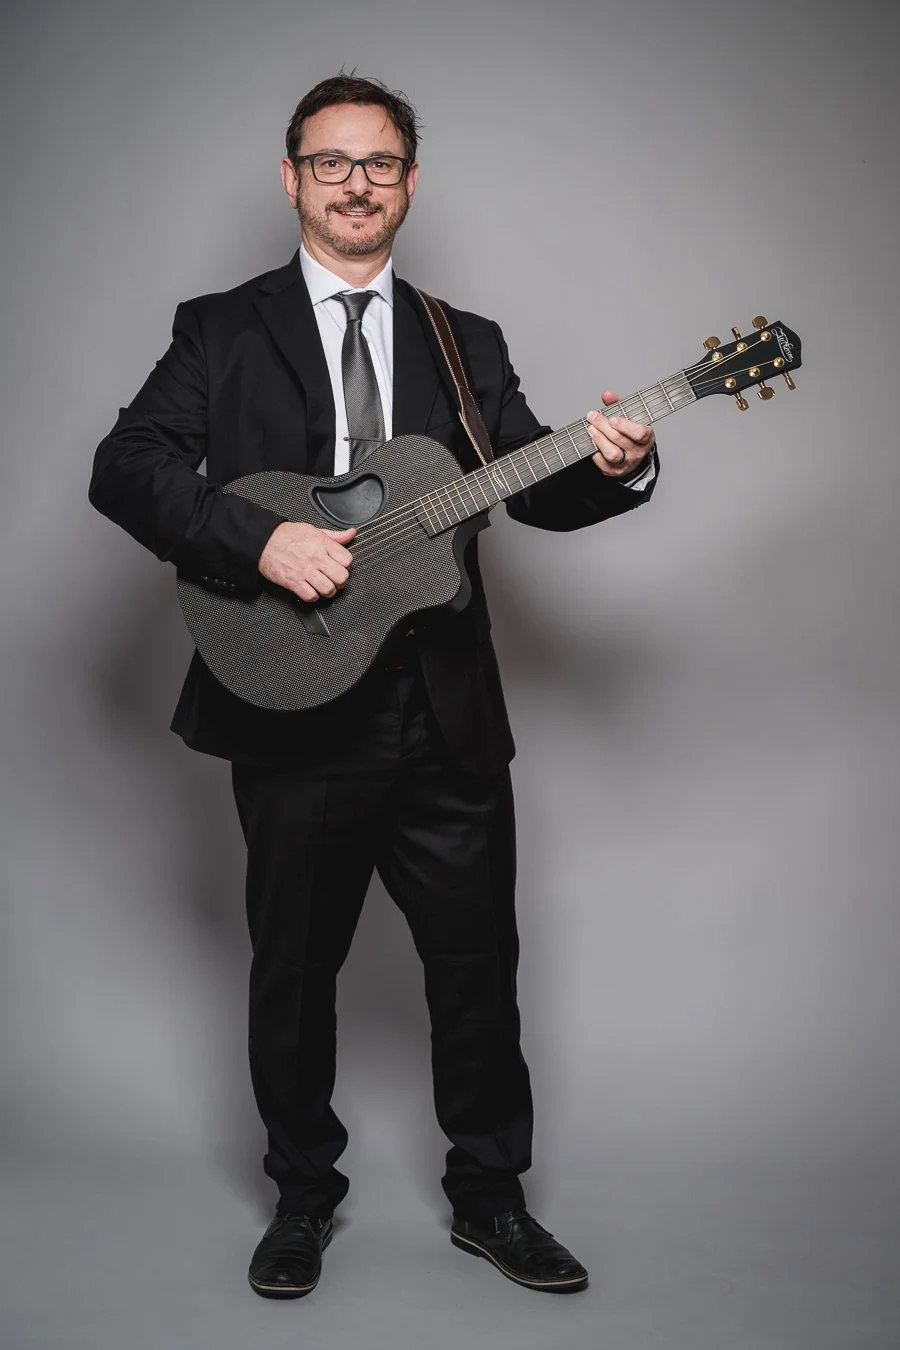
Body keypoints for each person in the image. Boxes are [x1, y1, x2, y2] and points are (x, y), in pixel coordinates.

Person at [88, 73, 658, 1299]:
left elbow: (530, 484)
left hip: (440, 704)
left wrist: (615, 464)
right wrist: (258, 543)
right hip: (285, 700)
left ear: (410, 183)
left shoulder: (467, 341)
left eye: (382, 163)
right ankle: (302, 1197)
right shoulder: (220, 329)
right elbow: (124, 469)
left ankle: (490, 1201)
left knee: (475, 969)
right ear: (292, 178)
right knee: (292, 972)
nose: (358, 182)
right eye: (333, 161)